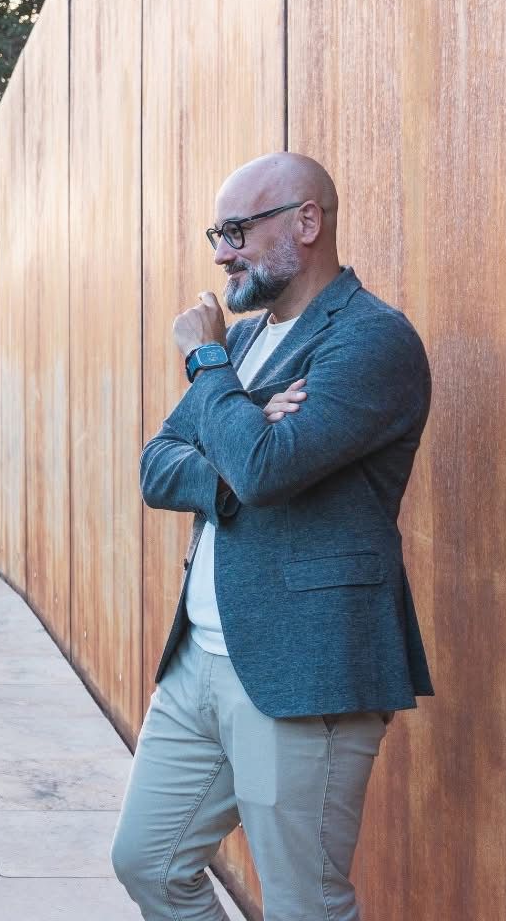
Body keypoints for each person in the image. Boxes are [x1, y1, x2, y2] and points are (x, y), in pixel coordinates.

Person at [112, 152, 433, 920]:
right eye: (216, 234)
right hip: (198, 664)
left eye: (235, 231)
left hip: (305, 667)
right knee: (148, 863)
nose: (220, 253)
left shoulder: (372, 339)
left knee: (304, 904)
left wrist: (207, 365)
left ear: (307, 222)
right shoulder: (250, 344)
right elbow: (158, 466)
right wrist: (243, 433)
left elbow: (267, 468)